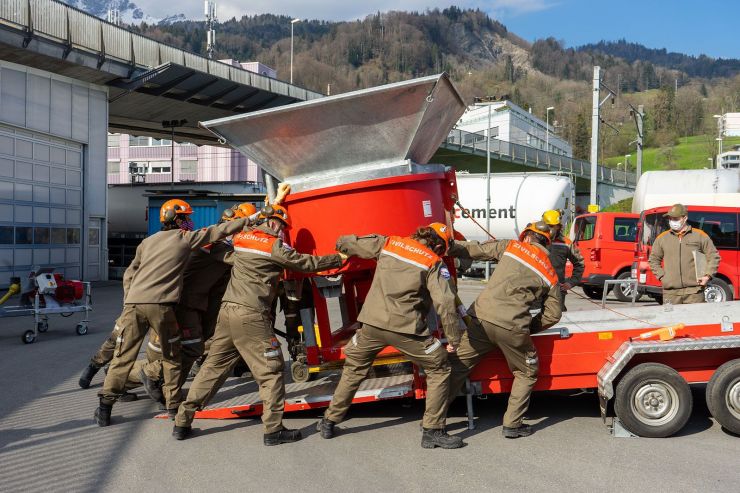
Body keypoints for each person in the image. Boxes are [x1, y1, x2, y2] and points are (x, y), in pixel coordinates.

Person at [172, 205, 344, 445]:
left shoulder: (242, 238)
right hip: (252, 315)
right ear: (275, 224)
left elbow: (220, 250)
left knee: (212, 368)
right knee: (271, 371)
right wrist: (339, 258)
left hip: (227, 312)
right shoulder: (272, 246)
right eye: (283, 227)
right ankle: (273, 430)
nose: (283, 232)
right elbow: (306, 263)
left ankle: (182, 421)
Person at [93, 199, 250, 427]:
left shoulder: (146, 243)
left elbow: (130, 272)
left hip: (134, 305)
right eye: (186, 217)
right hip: (162, 307)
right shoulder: (184, 239)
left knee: (122, 358)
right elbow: (219, 231)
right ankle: (173, 406)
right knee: (172, 357)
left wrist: (129, 298)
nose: (189, 221)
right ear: (177, 219)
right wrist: (251, 221)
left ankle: (104, 409)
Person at [317, 223, 465, 449]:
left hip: (371, 324)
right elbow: (445, 303)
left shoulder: (389, 243)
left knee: (354, 370)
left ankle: (329, 421)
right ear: (437, 245)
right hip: (406, 329)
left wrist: (341, 245)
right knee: (440, 368)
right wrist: (453, 339)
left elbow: (347, 242)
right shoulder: (432, 262)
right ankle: (433, 430)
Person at [446, 221, 562, 438]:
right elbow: (553, 314)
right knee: (526, 372)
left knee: (458, 367)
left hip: (480, 319)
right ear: (548, 243)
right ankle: (512, 424)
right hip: (513, 327)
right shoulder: (550, 272)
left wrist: (447, 246)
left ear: (527, 237)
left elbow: (475, 249)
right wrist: (528, 327)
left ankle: (433, 421)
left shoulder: (511, 246)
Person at [648, 203, 720, 305]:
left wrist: (707, 276)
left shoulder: (700, 236)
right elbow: (653, 260)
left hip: (694, 293)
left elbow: (714, 256)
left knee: (694, 321)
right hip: (671, 293)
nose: (672, 221)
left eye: (676, 219)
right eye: (670, 218)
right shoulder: (662, 238)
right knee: (672, 321)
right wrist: (663, 277)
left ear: (685, 218)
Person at [542, 209, 584, 311]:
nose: (549, 229)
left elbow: (580, 263)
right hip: (537, 291)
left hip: (557, 292)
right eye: (547, 225)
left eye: (552, 226)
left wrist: (571, 283)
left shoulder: (566, 243)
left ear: (558, 226)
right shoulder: (535, 240)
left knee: (557, 320)